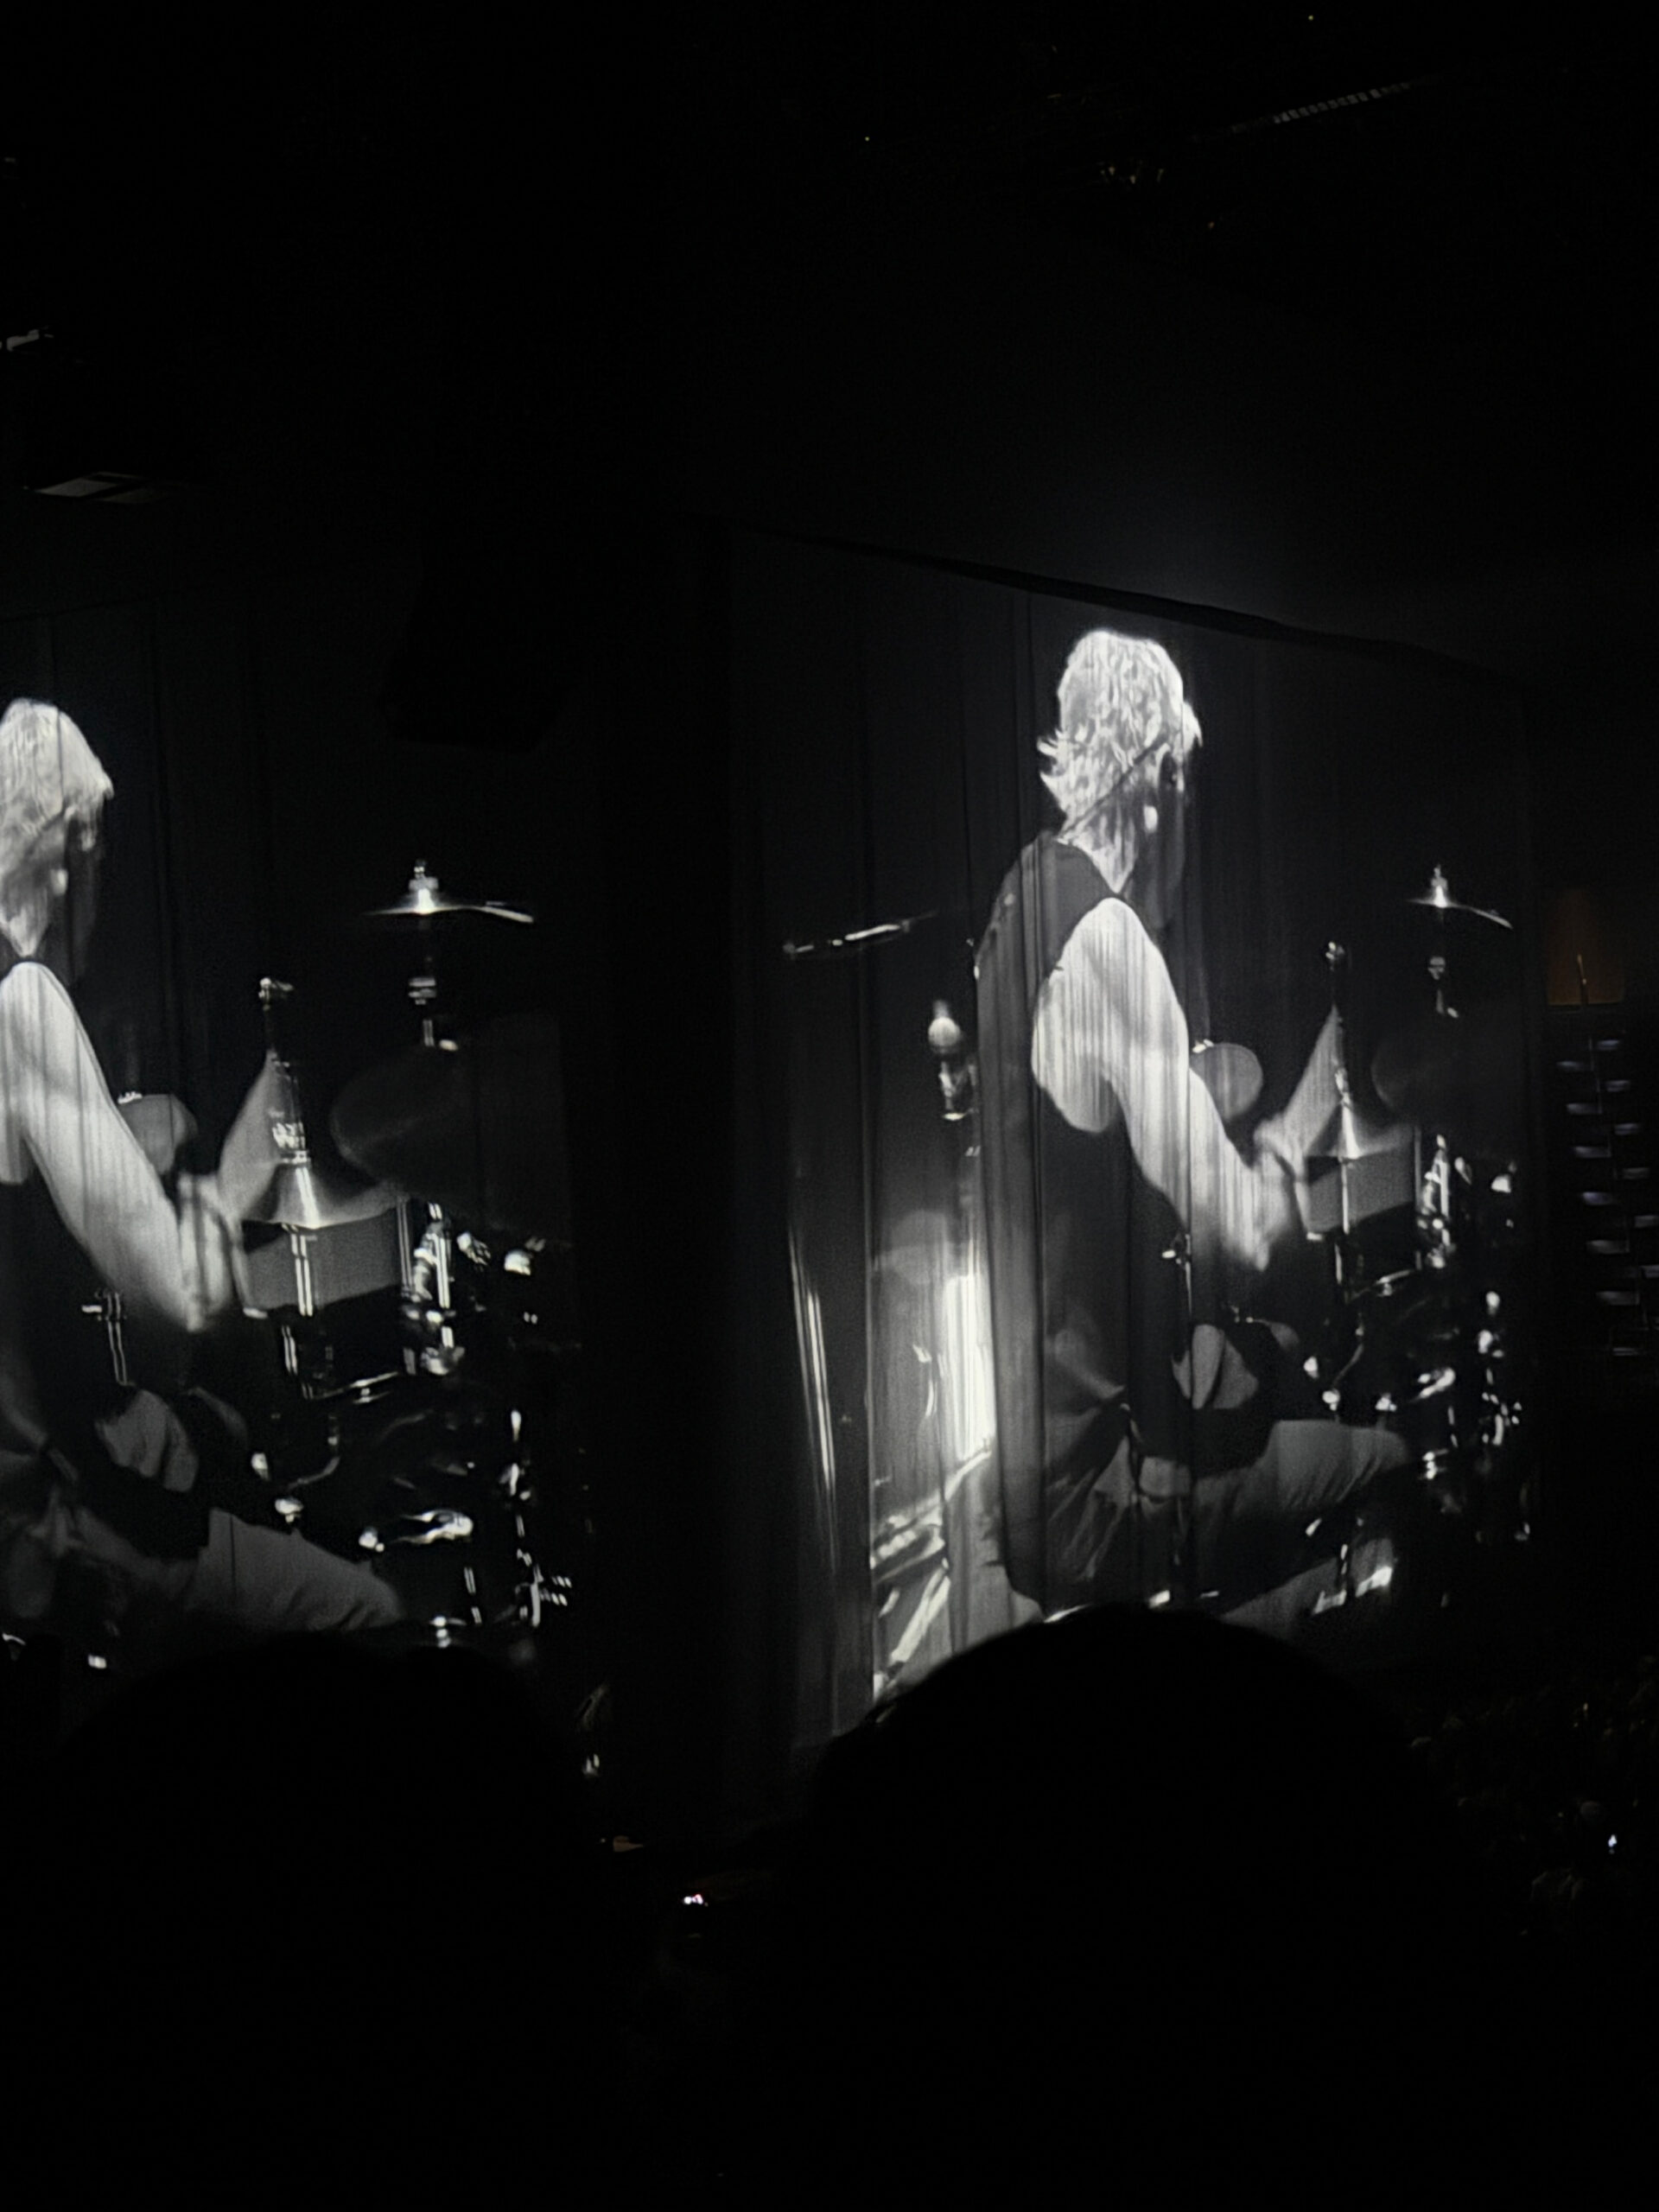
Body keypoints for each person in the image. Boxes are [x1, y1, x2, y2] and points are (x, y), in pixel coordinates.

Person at [975, 631, 1410, 1619]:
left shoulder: (1021, 900)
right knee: (1386, 1456)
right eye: (1191, 789)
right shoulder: (1110, 944)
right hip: (1102, 1494)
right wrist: (1282, 1154)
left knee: (1269, 1365)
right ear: (1162, 773)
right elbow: (1241, 1231)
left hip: (1037, 1462)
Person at [0, 696, 399, 1645]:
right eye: (99, 860)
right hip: (36, 1523)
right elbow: (179, 1294)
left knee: (205, 1431)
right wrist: (247, 1158)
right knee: (366, 1611)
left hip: (47, 1434)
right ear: (65, 850)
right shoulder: (21, 1005)